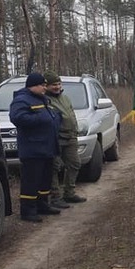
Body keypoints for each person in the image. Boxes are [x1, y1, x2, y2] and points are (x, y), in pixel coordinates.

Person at [10, 73, 61, 222]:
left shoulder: (43, 99)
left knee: (45, 180)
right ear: (33, 85)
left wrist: (56, 118)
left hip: (47, 148)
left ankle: (42, 205)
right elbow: (17, 118)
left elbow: (51, 115)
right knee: (31, 182)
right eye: (42, 85)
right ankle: (28, 211)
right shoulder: (21, 100)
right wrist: (41, 118)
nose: (45, 88)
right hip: (33, 149)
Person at [43, 71, 86, 209]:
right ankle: (55, 197)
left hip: (70, 136)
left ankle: (69, 192)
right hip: (56, 138)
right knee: (54, 167)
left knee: (74, 163)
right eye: (53, 84)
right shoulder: (45, 100)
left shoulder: (65, 98)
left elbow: (71, 114)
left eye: (59, 84)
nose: (57, 87)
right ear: (47, 86)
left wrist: (75, 131)